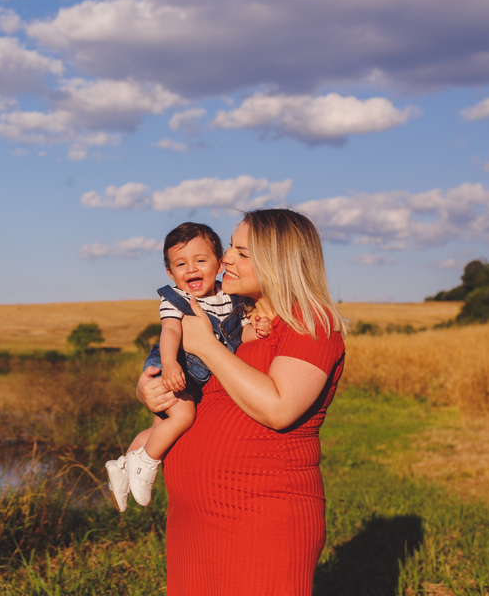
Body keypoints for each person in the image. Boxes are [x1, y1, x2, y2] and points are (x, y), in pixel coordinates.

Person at [136, 208, 347, 596]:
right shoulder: (237, 325)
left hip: (260, 516)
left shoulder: (310, 323)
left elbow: (279, 408)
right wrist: (149, 390)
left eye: (243, 252)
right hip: (194, 519)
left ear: (279, 261)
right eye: (231, 246)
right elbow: (210, 401)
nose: (227, 257)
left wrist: (204, 345)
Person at [104, 222, 270, 511]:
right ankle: (146, 464)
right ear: (170, 273)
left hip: (197, 372)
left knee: (162, 426)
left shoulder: (231, 299)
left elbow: (236, 335)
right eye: (180, 264)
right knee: (184, 414)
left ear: (219, 264)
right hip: (176, 363)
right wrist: (169, 365)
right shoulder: (176, 299)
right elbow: (169, 332)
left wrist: (257, 330)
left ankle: (122, 466)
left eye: (200, 260)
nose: (191, 269)